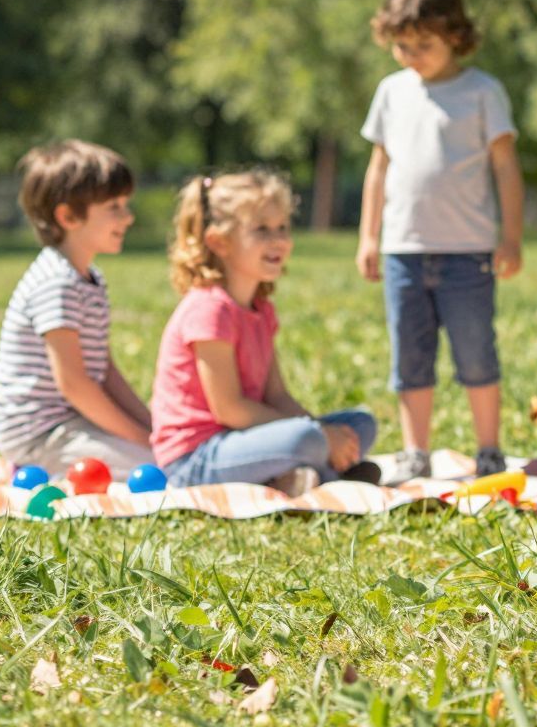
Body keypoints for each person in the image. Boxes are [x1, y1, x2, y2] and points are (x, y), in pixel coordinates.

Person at [356, 0, 524, 484]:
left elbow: (505, 168)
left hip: (467, 252)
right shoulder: (391, 91)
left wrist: (510, 236)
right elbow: (378, 167)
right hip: (403, 250)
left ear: (455, 34)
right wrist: (369, 236)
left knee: (476, 353)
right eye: (401, 45)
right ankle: (414, 451)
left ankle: (489, 449)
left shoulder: (482, 92)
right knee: (410, 358)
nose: (410, 55)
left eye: (422, 43)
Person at [151, 170, 379, 492]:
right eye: (261, 229)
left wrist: (326, 432)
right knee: (307, 438)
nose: (279, 240)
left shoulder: (260, 310)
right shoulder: (209, 309)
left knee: (360, 424)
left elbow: (277, 396)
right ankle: (328, 480)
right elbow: (228, 408)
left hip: (245, 439)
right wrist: (318, 436)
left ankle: (295, 476)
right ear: (219, 242)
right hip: (196, 459)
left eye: (282, 227)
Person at [0, 140, 155, 478]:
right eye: (114, 207)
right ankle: (34, 464)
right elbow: (75, 385)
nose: (128, 216)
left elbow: (103, 371)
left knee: (158, 452)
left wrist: (152, 427)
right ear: (67, 216)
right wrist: (141, 439)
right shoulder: (56, 284)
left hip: (72, 421)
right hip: (38, 434)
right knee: (153, 465)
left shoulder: (89, 279)